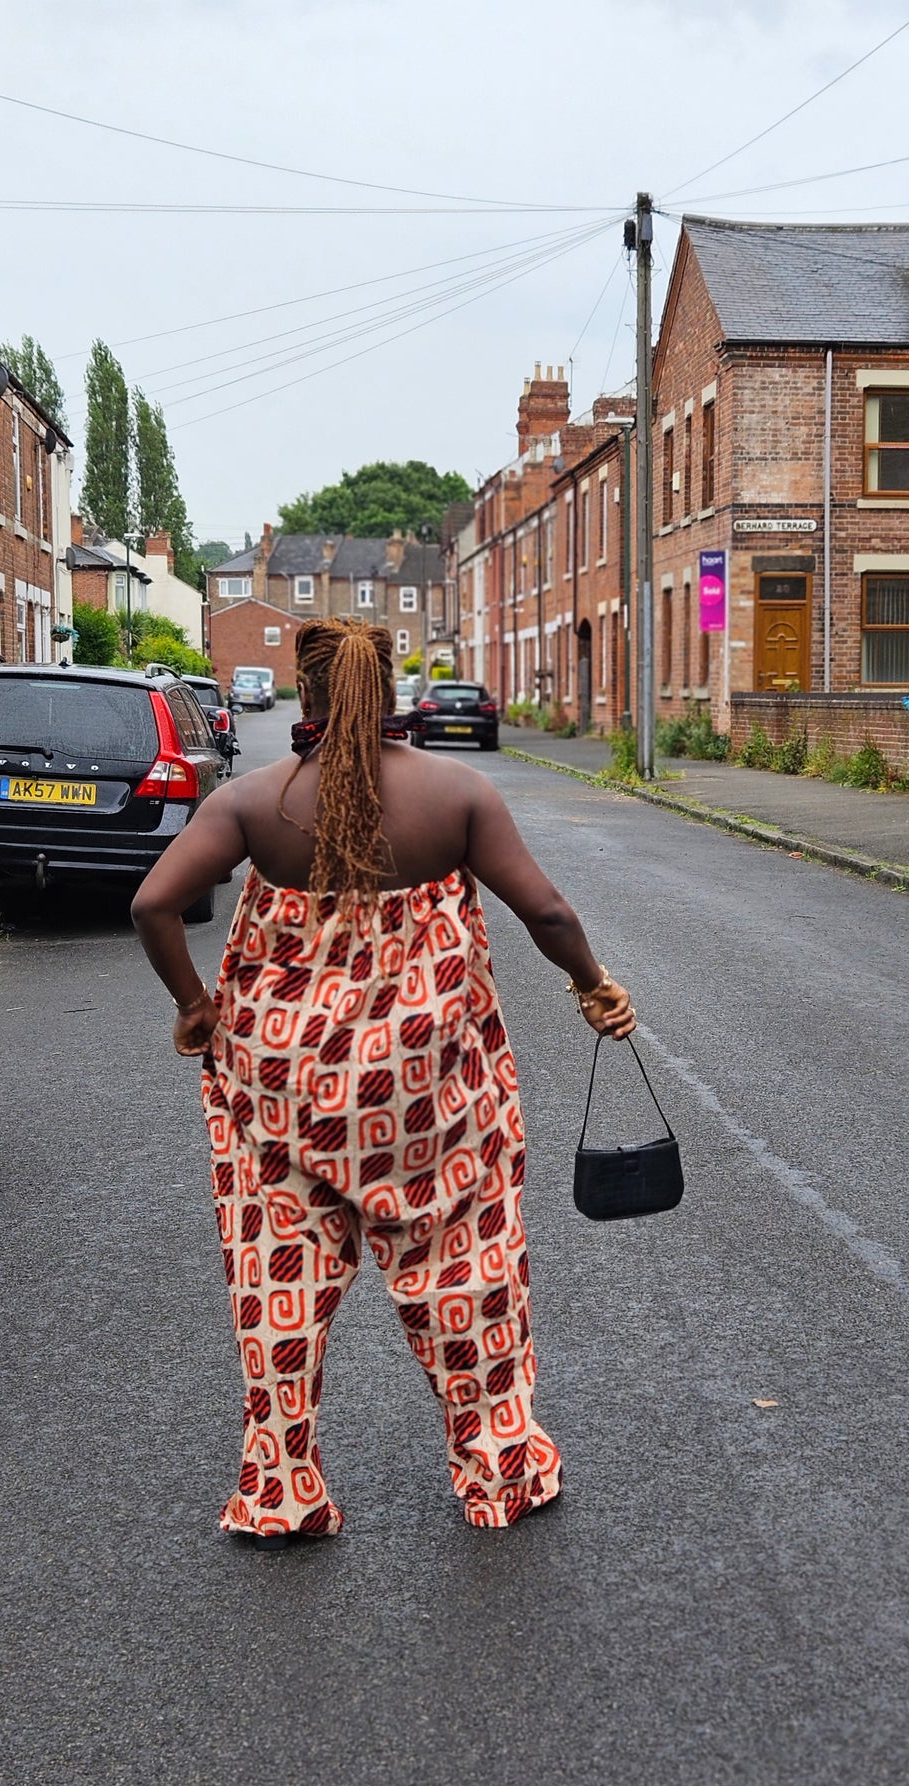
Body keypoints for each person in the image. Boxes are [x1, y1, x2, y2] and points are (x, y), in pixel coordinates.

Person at [132, 618, 634, 1544]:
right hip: (427, 1101)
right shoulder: (458, 795)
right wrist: (594, 987)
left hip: (283, 1099)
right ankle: (501, 1468)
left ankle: (281, 1488)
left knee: (276, 1280)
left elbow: (154, 903)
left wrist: (196, 1008)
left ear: (308, 695)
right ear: (391, 692)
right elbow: (548, 911)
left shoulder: (255, 802)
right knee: (466, 1276)